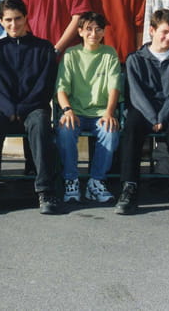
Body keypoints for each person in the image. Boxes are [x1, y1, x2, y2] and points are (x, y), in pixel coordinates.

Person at [0, 0, 59, 214]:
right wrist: (10, 110)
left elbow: (44, 85)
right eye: (8, 20)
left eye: (17, 18)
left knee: (40, 121)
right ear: (0, 21)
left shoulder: (43, 48)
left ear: (26, 18)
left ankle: (45, 191)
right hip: (4, 109)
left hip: (33, 107)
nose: (13, 24)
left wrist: (22, 109)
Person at [115, 9, 169, 217]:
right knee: (132, 125)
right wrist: (152, 117)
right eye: (165, 32)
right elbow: (136, 94)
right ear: (152, 30)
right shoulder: (135, 59)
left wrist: (162, 118)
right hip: (144, 109)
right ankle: (129, 186)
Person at [56, 12, 121, 204]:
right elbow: (61, 88)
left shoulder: (109, 53)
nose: (94, 34)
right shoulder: (71, 54)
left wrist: (109, 112)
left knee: (110, 132)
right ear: (80, 31)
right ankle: (71, 180)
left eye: (98, 29)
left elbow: (114, 87)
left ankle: (96, 182)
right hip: (75, 112)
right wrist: (67, 110)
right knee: (65, 131)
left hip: (101, 112)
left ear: (104, 32)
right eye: (89, 29)